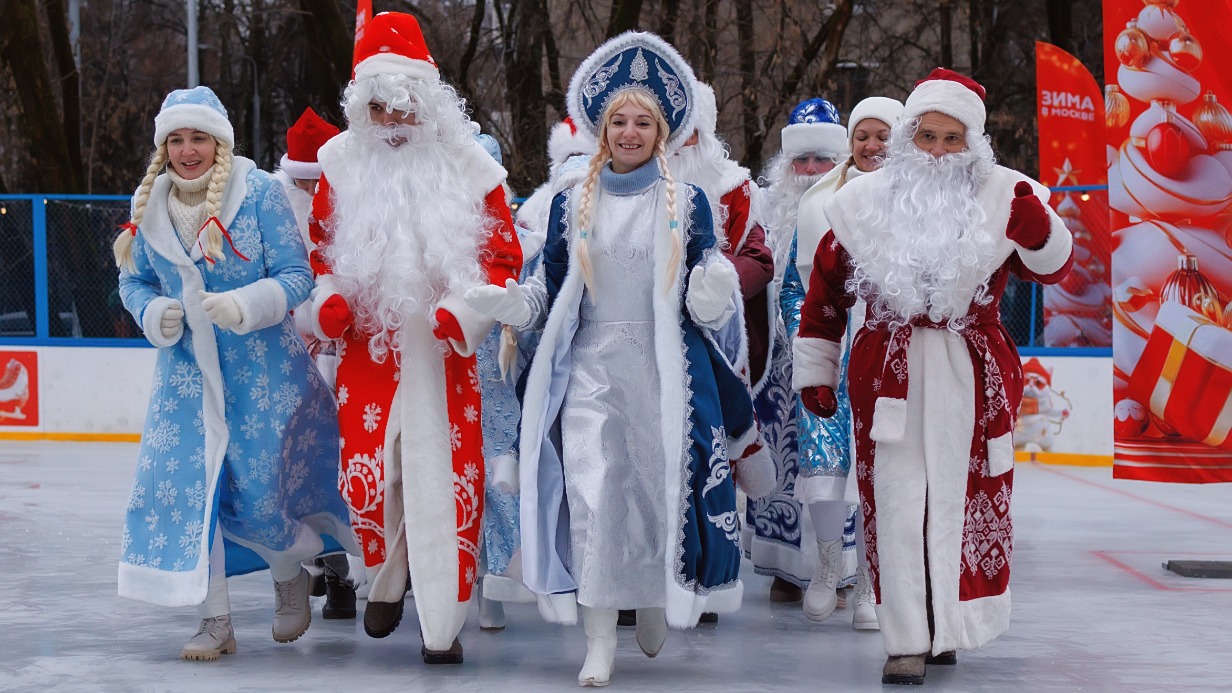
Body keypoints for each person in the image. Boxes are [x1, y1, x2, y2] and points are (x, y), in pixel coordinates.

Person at [464, 31, 756, 687]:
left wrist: (713, 292)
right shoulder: (575, 202)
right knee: (594, 497)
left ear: (662, 131)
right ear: (602, 128)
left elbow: (708, 298)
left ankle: (650, 595)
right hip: (591, 370)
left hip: (662, 375)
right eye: (619, 121)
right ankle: (599, 639)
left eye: (642, 122)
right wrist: (516, 304)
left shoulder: (688, 204)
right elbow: (549, 286)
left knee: (655, 498)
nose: (629, 132)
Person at [792, 68, 1073, 685]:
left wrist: (1043, 234)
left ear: (972, 142)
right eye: (927, 137)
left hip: (971, 373)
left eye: (952, 138)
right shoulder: (860, 204)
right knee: (894, 501)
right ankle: (906, 639)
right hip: (885, 375)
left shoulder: (1008, 194)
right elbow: (825, 295)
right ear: (906, 139)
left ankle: (950, 626)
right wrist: (815, 366)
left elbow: (1052, 269)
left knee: (966, 498)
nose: (940, 152)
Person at [305, 12, 523, 664]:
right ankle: (388, 575)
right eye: (379, 108)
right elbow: (320, 253)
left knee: (441, 476)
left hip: (443, 346)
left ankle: (442, 624)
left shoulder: (470, 167)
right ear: (363, 109)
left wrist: (466, 311)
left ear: (426, 105)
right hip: (368, 345)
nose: (392, 122)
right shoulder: (342, 166)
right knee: (372, 478)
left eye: (403, 108)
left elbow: (504, 259)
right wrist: (330, 300)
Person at [113, 85, 357, 661]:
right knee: (194, 497)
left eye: (198, 137)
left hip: (264, 376)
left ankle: (288, 570)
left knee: (263, 497)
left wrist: (250, 304)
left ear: (218, 141)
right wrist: (151, 311)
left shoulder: (262, 194)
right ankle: (215, 619)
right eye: (177, 139)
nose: (188, 150)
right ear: (164, 146)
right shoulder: (147, 206)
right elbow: (132, 281)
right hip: (186, 381)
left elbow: (297, 275)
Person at [789, 96, 906, 630]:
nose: (871, 145)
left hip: (885, 357)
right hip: (829, 352)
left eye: (883, 135)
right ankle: (829, 562)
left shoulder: (912, 200)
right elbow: (800, 286)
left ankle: (868, 583)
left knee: (877, 466)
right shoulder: (817, 204)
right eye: (862, 135)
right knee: (821, 458)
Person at [746, 98, 852, 605]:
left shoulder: (855, 202)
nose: (810, 171)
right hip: (777, 366)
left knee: (837, 460)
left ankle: (847, 568)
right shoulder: (767, 208)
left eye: (822, 160)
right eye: (801, 160)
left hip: (840, 360)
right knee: (782, 463)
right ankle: (789, 567)